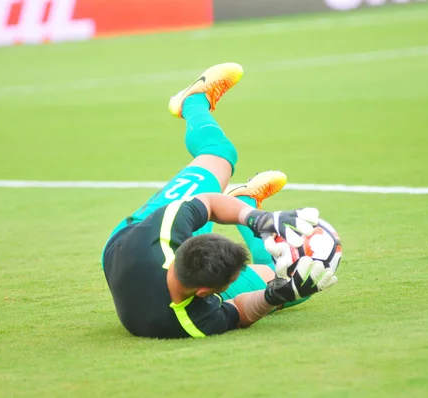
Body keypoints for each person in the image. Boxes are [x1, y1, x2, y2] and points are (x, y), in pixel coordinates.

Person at [102, 63, 338, 339]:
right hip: (148, 270)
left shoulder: (164, 231)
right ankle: (245, 197)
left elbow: (210, 204)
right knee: (290, 282)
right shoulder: (193, 321)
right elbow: (240, 310)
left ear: (187, 241)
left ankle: (191, 102)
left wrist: (258, 220)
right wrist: (276, 295)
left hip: (127, 239)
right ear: (205, 293)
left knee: (220, 154)